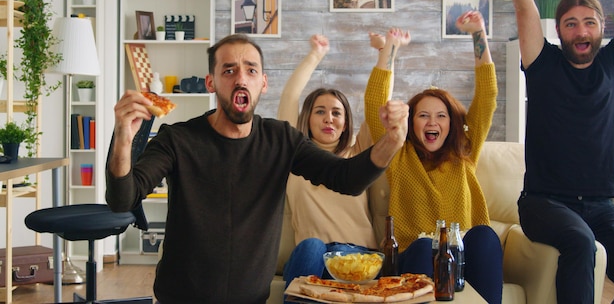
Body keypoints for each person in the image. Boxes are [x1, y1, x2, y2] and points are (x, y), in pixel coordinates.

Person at [106, 33, 409, 304]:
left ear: (263, 83)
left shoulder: (282, 139)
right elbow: (124, 199)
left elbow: (348, 179)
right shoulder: (177, 138)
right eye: (229, 70)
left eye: (250, 70)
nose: (240, 78)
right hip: (180, 297)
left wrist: (393, 140)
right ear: (211, 82)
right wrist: (123, 138)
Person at [500, 0, 614, 303]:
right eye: (570, 23)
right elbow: (524, 6)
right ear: (558, 31)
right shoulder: (543, 64)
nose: (581, 30)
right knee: (581, 242)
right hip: (544, 203)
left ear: (603, 27)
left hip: (601, 206)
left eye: (589, 22)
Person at [366, 13, 503, 303]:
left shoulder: (464, 150)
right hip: (414, 257)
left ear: (452, 124)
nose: (433, 122)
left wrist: (478, 32)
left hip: (462, 256)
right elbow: (374, 103)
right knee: (422, 245)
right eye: (424, 115)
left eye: (441, 116)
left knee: (486, 237)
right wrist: (390, 49)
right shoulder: (400, 156)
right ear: (412, 124)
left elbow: (488, 95)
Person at [277, 35, 378, 288]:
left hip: (358, 255)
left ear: (345, 124)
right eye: (320, 111)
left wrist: (386, 54)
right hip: (311, 257)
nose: (329, 119)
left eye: (336, 113)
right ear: (307, 119)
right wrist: (315, 55)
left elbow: (377, 104)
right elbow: (290, 96)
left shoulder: (359, 153)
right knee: (311, 246)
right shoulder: (294, 155)